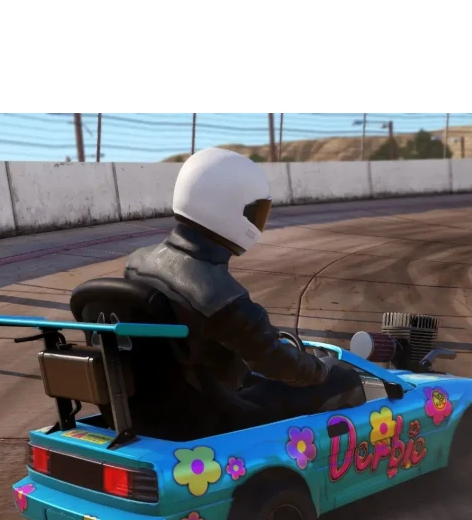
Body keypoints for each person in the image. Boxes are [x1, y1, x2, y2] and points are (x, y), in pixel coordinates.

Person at [124, 148, 364, 432]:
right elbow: (278, 363)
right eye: (255, 212)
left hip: (159, 407)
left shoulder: (136, 263)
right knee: (342, 378)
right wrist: (320, 367)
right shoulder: (219, 295)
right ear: (228, 207)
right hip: (212, 417)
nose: (257, 222)